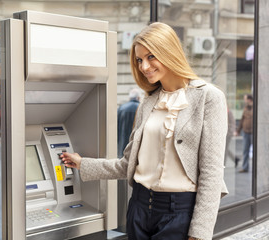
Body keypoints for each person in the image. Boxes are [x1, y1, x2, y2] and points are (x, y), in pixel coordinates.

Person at [61, 22, 228, 240]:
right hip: (139, 207)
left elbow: (211, 174)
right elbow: (127, 164)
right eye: (139, 60)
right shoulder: (148, 102)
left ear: (169, 52)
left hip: (179, 213)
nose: (144, 66)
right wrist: (84, 164)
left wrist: (199, 233)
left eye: (151, 57)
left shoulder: (208, 97)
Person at [117, 88, 141, 158]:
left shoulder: (121, 108)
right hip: (136, 147)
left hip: (122, 146)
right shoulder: (141, 108)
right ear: (138, 97)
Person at [235, 94, 253, 173]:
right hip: (246, 132)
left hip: (253, 133)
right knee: (245, 150)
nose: (244, 100)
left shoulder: (255, 108)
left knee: (256, 151)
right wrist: (238, 130)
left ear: (249, 99)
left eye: (245, 99)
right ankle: (245, 167)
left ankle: (257, 168)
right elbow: (242, 120)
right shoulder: (246, 108)